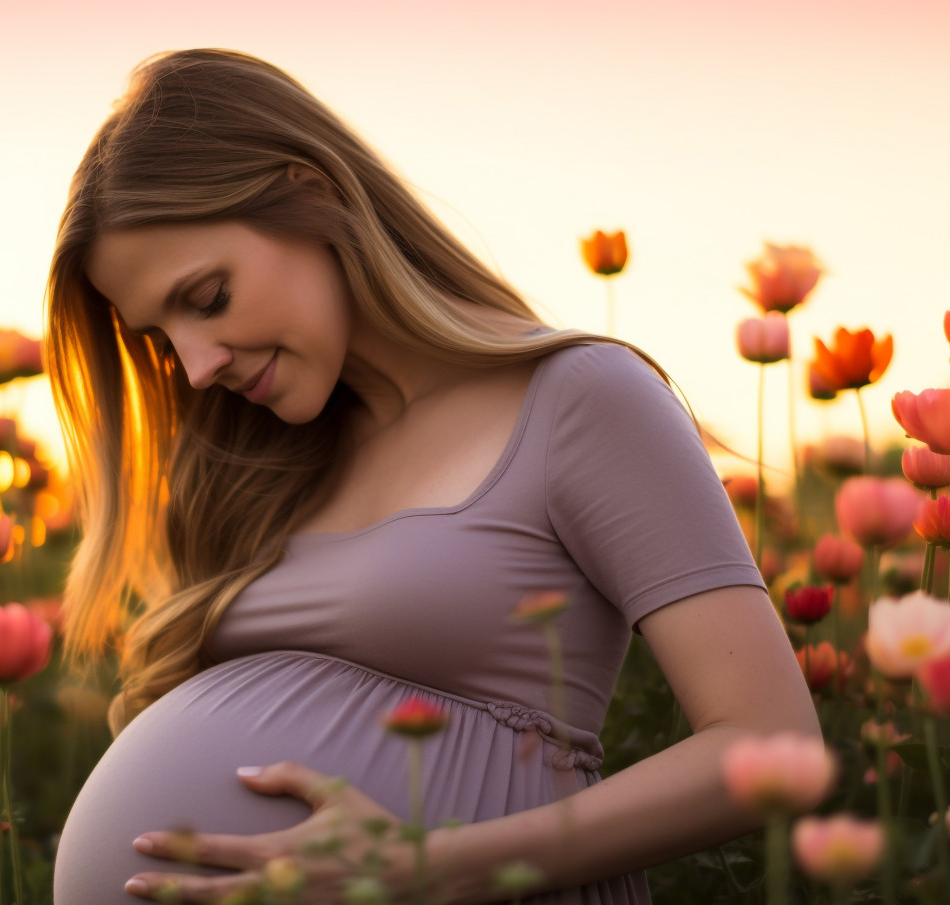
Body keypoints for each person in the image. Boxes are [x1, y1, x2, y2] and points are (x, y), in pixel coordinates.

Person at [45, 49, 820, 905]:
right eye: (162, 337)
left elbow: (774, 742)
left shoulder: (579, 398)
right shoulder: (256, 471)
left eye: (207, 298)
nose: (195, 366)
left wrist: (428, 865)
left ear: (313, 194)